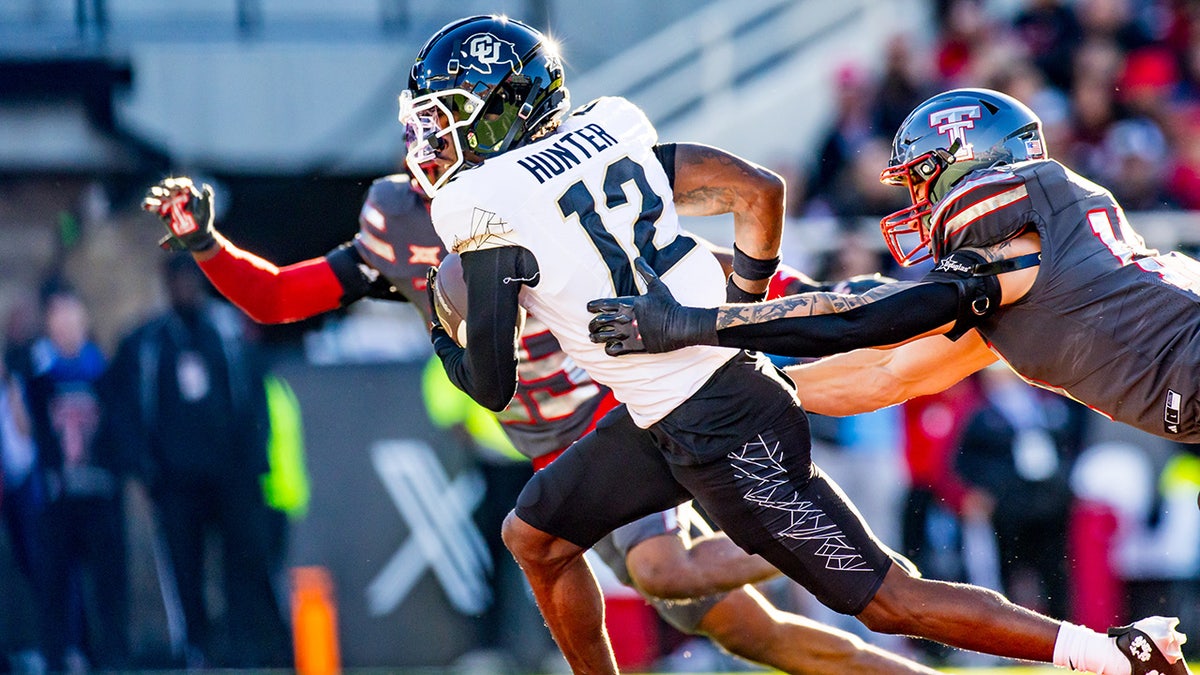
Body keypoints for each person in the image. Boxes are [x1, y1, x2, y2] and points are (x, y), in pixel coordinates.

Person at [260, 17, 1184, 675]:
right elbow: (762, 197)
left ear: (498, 113)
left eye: (450, 112)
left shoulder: (475, 204)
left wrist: (440, 312)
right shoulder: (611, 131)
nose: (431, 135)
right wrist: (737, 308)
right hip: (671, 408)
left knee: (886, 596)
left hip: (719, 418)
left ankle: (1105, 651)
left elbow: (489, 377)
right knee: (535, 533)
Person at [142, 170, 944, 675]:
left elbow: (678, 263)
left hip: (620, 408)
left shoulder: (528, 192)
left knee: (662, 568)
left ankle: (819, 538)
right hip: (550, 446)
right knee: (738, 630)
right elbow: (284, 296)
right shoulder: (394, 217)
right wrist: (210, 245)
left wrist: (847, 303)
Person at [587, 86, 1199, 671]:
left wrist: (699, 325)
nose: (916, 200)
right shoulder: (1036, 287)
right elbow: (887, 373)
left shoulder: (1012, 221)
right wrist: (733, 394)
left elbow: (872, 321)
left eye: (921, 177)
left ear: (966, 162)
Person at [105, 255, 290, 669]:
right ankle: (197, 651)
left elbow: (254, 401)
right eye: (178, 281)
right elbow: (124, 409)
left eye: (193, 280)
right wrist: (144, 467)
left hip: (231, 477)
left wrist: (254, 461)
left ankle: (246, 650)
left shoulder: (228, 333)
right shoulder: (148, 342)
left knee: (243, 564)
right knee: (184, 572)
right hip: (176, 481)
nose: (186, 289)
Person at [25, 281, 129, 673]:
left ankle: (113, 658)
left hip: (100, 494)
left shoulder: (105, 372)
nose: (67, 323)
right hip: (57, 497)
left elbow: (121, 429)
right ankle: (57, 658)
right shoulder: (37, 375)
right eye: (58, 315)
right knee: (53, 587)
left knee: (109, 587)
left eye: (72, 313)